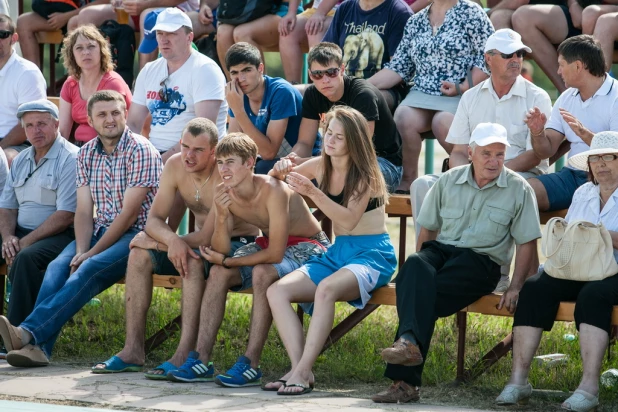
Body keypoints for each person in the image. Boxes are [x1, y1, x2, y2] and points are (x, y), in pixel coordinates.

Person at [372, 123, 541, 403]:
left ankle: (405, 377)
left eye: (499, 154)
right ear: (471, 153)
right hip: (442, 252)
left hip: (482, 263)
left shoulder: (518, 188)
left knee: (415, 295)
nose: (493, 160)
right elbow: (427, 230)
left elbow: (527, 243)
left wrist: (515, 287)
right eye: (486, 153)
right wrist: (420, 271)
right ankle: (409, 348)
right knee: (414, 265)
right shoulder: (449, 180)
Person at [0, 90, 162, 367]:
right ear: (89, 120)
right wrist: (82, 248)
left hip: (137, 236)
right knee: (56, 268)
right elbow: (85, 212)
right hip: (99, 231)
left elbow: (128, 215)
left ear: (125, 114)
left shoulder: (141, 149)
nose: (109, 119)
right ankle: (37, 349)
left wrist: (89, 254)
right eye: (101, 114)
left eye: (115, 112)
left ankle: (28, 334)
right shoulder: (86, 153)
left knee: (87, 268)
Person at [91, 118, 257, 377]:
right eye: (185, 146)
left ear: (213, 152)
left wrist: (164, 241)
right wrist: (171, 241)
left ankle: (183, 353)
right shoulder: (175, 164)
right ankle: (133, 350)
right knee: (138, 255)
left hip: (233, 244)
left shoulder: (224, 175)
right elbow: (153, 219)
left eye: (198, 150)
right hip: (198, 243)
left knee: (189, 259)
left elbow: (206, 236)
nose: (188, 155)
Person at [169, 133, 329, 387]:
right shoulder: (224, 192)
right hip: (271, 246)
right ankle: (201, 359)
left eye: (230, 162)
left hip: (310, 246)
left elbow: (275, 254)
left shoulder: (273, 190)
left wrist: (230, 262)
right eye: (220, 162)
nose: (224, 169)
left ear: (249, 162)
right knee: (219, 273)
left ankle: (250, 364)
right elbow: (220, 248)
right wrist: (222, 215)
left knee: (262, 272)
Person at [265, 106, 397, 395]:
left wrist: (312, 192)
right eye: (329, 133)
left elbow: (348, 219)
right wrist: (281, 168)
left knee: (325, 289)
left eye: (339, 136)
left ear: (354, 141)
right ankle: (301, 369)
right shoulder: (320, 164)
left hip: (372, 254)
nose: (331, 140)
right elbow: (279, 177)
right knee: (277, 291)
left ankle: (300, 372)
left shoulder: (366, 174)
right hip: (338, 252)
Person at [410, 29, 552, 292]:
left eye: (520, 53)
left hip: (522, 175)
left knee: (513, 190)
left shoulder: (538, 96)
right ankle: (428, 264)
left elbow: (538, 154)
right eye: (508, 54)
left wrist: (496, 171)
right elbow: (459, 150)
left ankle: (499, 274)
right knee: (422, 185)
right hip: (475, 172)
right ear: (488, 58)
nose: (516, 59)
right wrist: (462, 177)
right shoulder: (471, 96)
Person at [495, 131, 618, 412]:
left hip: (614, 271)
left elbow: (589, 235)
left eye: (608, 157)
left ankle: (589, 388)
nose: (600, 164)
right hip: (580, 266)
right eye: (595, 158)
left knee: (594, 294)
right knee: (536, 286)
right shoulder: (584, 191)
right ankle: (518, 381)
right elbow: (574, 236)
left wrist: (599, 235)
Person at [367, 0, 494, 193]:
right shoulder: (415, 20)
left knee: (442, 122)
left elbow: (488, 56)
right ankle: (408, 179)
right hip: (422, 92)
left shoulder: (471, 12)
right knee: (403, 116)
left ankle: (474, 180)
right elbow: (399, 66)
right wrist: (362, 87)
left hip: (461, 91)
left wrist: (464, 85)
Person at [0, 100, 78, 328]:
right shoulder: (21, 159)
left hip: (61, 235)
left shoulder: (70, 158)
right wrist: (8, 238)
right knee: (18, 251)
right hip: (21, 234)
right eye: (30, 125)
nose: (36, 130)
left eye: (42, 124)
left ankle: (16, 333)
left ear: (56, 125)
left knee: (25, 257)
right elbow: (7, 207)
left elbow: (66, 215)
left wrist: (23, 242)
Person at [291, 42, 403, 193]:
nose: (325, 80)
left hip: (381, 163)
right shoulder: (312, 95)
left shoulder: (363, 95)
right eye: (318, 74)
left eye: (331, 72)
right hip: (337, 160)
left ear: (342, 69)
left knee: (347, 175)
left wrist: (307, 163)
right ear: (310, 75)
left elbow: (359, 151)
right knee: (287, 176)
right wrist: (292, 159)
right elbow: (304, 143)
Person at [526, 35, 618, 212]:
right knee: (523, 192)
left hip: (608, 179)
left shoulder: (616, 96)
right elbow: (546, 150)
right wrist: (537, 133)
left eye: (561, 65)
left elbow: (616, 154)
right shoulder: (566, 97)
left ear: (577, 66)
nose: (558, 71)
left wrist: (586, 135)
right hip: (572, 176)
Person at [128, 7, 227, 163]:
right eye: (160, 33)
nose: (163, 39)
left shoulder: (205, 69)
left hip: (196, 158)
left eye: (171, 33)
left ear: (189, 37)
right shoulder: (149, 70)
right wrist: (132, 155)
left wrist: (160, 162)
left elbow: (202, 132)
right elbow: (133, 123)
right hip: (155, 156)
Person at [225, 42, 317, 174]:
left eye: (247, 70)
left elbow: (269, 153)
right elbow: (234, 146)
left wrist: (239, 111)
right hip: (270, 162)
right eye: (235, 73)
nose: (241, 78)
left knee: (260, 169)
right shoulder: (237, 95)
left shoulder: (280, 91)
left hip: (302, 162)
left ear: (260, 68)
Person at [322, 0, 412, 111]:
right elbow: (324, 56)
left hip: (384, 89)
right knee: (296, 93)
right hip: (342, 85)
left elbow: (398, 71)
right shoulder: (345, 7)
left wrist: (355, 88)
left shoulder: (399, 11)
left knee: (363, 99)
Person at [66, 0, 199, 70]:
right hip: (133, 9)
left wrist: (145, 4)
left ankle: (143, 83)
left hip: (174, 10)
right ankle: (86, 77)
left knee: (148, 17)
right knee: (85, 15)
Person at [59, 25, 133, 145]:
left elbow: (117, 129)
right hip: (78, 147)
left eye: (91, 46)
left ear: (101, 51)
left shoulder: (113, 82)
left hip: (109, 147)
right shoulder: (70, 84)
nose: (86, 52)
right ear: (72, 54)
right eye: (79, 48)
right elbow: (63, 132)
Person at [0, 14, 47, 166]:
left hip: (21, 144)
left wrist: (0, 149)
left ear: (13, 39)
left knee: (4, 160)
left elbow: (30, 124)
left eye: (2, 35)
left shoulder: (27, 72)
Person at [216, 1, 304, 80]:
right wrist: (205, 6)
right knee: (223, 33)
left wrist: (291, 12)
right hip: (253, 13)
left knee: (242, 34)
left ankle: (261, 88)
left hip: (285, 10)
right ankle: (236, 89)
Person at [511, 0, 584, 93]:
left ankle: (569, 93)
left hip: (570, 12)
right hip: (531, 11)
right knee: (499, 19)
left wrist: (574, 3)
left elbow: (516, 2)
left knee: (522, 18)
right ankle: (506, 96)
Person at [15, 0, 105, 69]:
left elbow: (106, 1)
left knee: (73, 22)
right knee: (23, 22)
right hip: (67, 10)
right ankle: (33, 79)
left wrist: (65, 16)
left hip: (96, 14)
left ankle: (76, 79)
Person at [278, 0, 338, 84]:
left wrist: (320, 13)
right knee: (288, 31)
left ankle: (320, 87)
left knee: (315, 29)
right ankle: (294, 89)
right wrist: (291, 12)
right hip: (315, 9)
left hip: (342, 9)